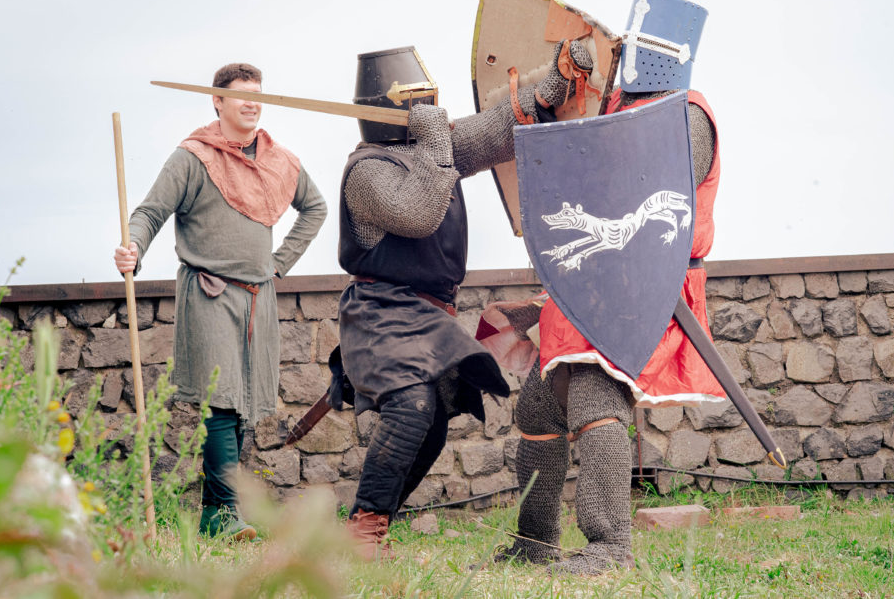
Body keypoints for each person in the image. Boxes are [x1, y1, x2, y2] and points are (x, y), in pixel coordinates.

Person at [496, 0, 724, 575]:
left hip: (639, 281)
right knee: (541, 411)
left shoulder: (687, 112)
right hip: (588, 276)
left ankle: (608, 546)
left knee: (597, 400)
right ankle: (534, 540)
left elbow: (652, 182)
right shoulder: (614, 102)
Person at [337, 41, 592, 558]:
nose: (431, 110)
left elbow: (496, 130)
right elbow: (419, 213)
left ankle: (367, 523)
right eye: (419, 102)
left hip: (428, 317)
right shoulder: (367, 171)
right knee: (410, 410)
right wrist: (436, 145)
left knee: (430, 424)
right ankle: (363, 532)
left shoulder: (433, 151)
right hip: (381, 313)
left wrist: (554, 85)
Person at [113, 62, 327, 540]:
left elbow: (315, 207)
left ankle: (217, 512)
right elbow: (150, 212)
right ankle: (224, 512)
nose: (252, 103)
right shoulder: (192, 157)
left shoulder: (279, 161)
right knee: (222, 403)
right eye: (241, 95)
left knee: (245, 404)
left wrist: (279, 263)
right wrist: (132, 247)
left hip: (258, 297)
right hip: (208, 292)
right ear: (217, 100)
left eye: (258, 95)